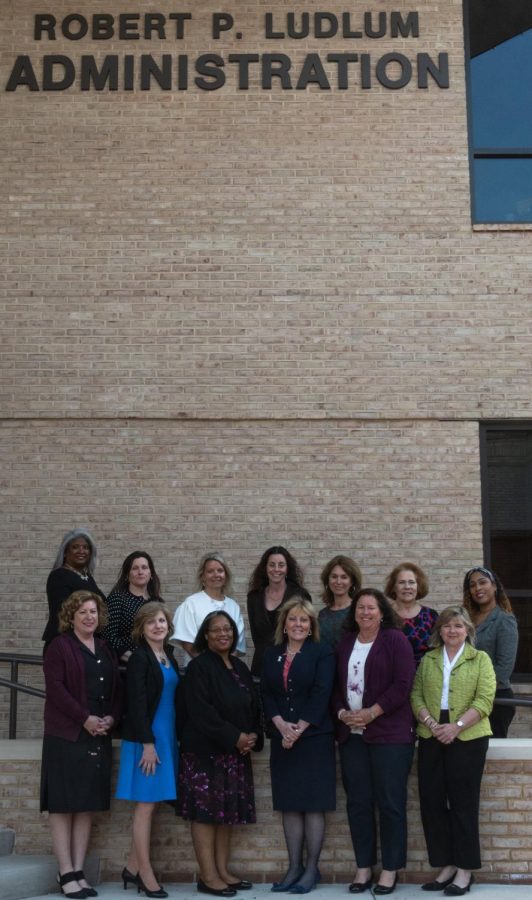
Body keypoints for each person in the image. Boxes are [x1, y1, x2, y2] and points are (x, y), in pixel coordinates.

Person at [332, 588, 415, 896]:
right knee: (358, 804)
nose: (365, 612)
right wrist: (342, 713)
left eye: (372, 608)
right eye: (361, 608)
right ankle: (364, 867)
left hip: (390, 736)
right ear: (354, 612)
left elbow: (403, 684)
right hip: (351, 737)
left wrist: (372, 713)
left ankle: (390, 870)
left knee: (391, 803)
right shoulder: (344, 644)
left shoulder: (395, 640)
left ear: (382, 612)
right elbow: (335, 686)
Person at [40, 590, 121, 899]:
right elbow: (56, 689)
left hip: (98, 735)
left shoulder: (104, 648)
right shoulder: (59, 647)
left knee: (86, 805)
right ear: (71, 617)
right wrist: (85, 718)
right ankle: (65, 871)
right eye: (83, 612)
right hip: (66, 736)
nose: (90, 617)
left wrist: (111, 719)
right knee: (62, 805)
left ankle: (79, 870)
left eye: (94, 612)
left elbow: (116, 690)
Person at [411, 605, 496, 896]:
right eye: (447, 626)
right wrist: (432, 723)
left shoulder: (480, 659)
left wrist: (456, 726)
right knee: (432, 803)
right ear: (439, 631)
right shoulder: (428, 659)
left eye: (458, 626)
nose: (452, 630)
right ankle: (445, 865)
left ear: (468, 631)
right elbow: (416, 694)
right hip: (431, 733)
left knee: (463, 804)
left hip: (468, 736)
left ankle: (464, 870)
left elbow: (485, 700)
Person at [179, 611, 261, 897]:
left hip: (234, 754)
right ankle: (208, 876)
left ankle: (223, 871)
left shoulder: (239, 666)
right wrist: (234, 737)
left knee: (226, 814)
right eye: (216, 630)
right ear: (206, 635)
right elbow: (201, 712)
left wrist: (252, 735)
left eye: (227, 629)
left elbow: (253, 704)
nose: (223, 634)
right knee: (205, 814)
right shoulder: (199, 667)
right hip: (204, 754)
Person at [261, 598, 335, 895]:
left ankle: (312, 868)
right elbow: (266, 692)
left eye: (304, 620)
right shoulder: (271, 654)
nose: (298, 624)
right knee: (290, 803)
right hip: (283, 738)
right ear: (284, 623)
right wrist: (280, 725)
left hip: (314, 738)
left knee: (313, 804)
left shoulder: (322, 652)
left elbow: (322, 692)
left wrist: (300, 728)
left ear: (312, 625)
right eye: (293, 619)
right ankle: (294, 867)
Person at [116, 602, 180, 899]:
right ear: (141, 629)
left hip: (165, 739)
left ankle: (131, 866)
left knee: (152, 804)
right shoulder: (140, 659)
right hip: (147, 741)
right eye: (151, 622)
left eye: (162, 621)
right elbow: (137, 704)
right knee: (145, 806)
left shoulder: (170, 657)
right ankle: (145, 873)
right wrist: (148, 745)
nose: (158, 626)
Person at [463, 565, 518, 738]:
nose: (477, 588)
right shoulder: (465, 619)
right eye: (472, 585)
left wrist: (476, 691)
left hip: (495, 699)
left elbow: (504, 669)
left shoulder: (504, 620)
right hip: (465, 698)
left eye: (482, 582)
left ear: (494, 586)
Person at [247, 547, 311, 678]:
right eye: (272, 565)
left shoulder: (299, 595)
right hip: (261, 668)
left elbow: (307, 633)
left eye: (281, 565)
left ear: (287, 569)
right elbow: (256, 637)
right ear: (265, 568)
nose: (276, 569)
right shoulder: (254, 598)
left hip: (293, 668)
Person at [172, 554, 245, 665]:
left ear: (226, 575)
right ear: (203, 577)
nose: (216, 574)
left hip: (227, 671)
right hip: (200, 671)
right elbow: (188, 643)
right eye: (210, 571)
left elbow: (236, 644)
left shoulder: (233, 606)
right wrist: (210, 667)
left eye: (220, 570)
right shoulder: (191, 604)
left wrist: (226, 667)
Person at [43, 529, 106, 650]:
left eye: (86, 547)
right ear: (65, 552)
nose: (81, 551)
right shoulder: (59, 576)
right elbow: (62, 613)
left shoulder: (87, 577)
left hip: (85, 644)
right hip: (65, 646)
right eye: (75, 547)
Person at [103, 551, 164, 663]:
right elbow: (109, 636)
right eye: (135, 568)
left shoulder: (158, 602)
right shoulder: (117, 598)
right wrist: (134, 660)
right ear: (127, 574)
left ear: (151, 573)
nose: (140, 572)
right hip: (127, 665)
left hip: (154, 662)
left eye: (144, 567)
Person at [384, 563, 438, 666]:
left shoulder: (431, 616)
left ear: (418, 586)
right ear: (394, 587)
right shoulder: (384, 615)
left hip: (423, 677)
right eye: (401, 582)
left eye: (412, 582)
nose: (407, 587)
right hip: (391, 676)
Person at [318, 555, 362, 649]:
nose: (338, 582)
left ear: (352, 581)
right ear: (327, 580)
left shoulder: (358, 610)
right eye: (334, 576)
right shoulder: (322, 615)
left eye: (344, 577)